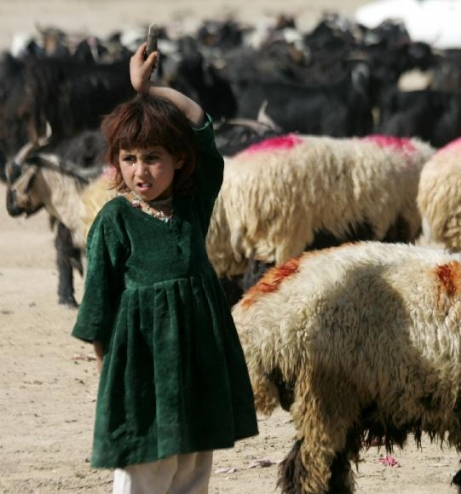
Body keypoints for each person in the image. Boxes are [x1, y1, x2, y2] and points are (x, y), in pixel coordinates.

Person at [71, 41, 257, 493]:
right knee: (144, 478)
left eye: (153, 157)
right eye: (129, 159)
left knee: (192, 474)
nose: (141, 172)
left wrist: (151, 91)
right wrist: (113, 385)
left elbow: (200, 125)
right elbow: (98, 312)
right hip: (142, 379)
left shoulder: (191, 207)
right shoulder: (115, 220)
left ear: (179, 160)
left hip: (198, 369)